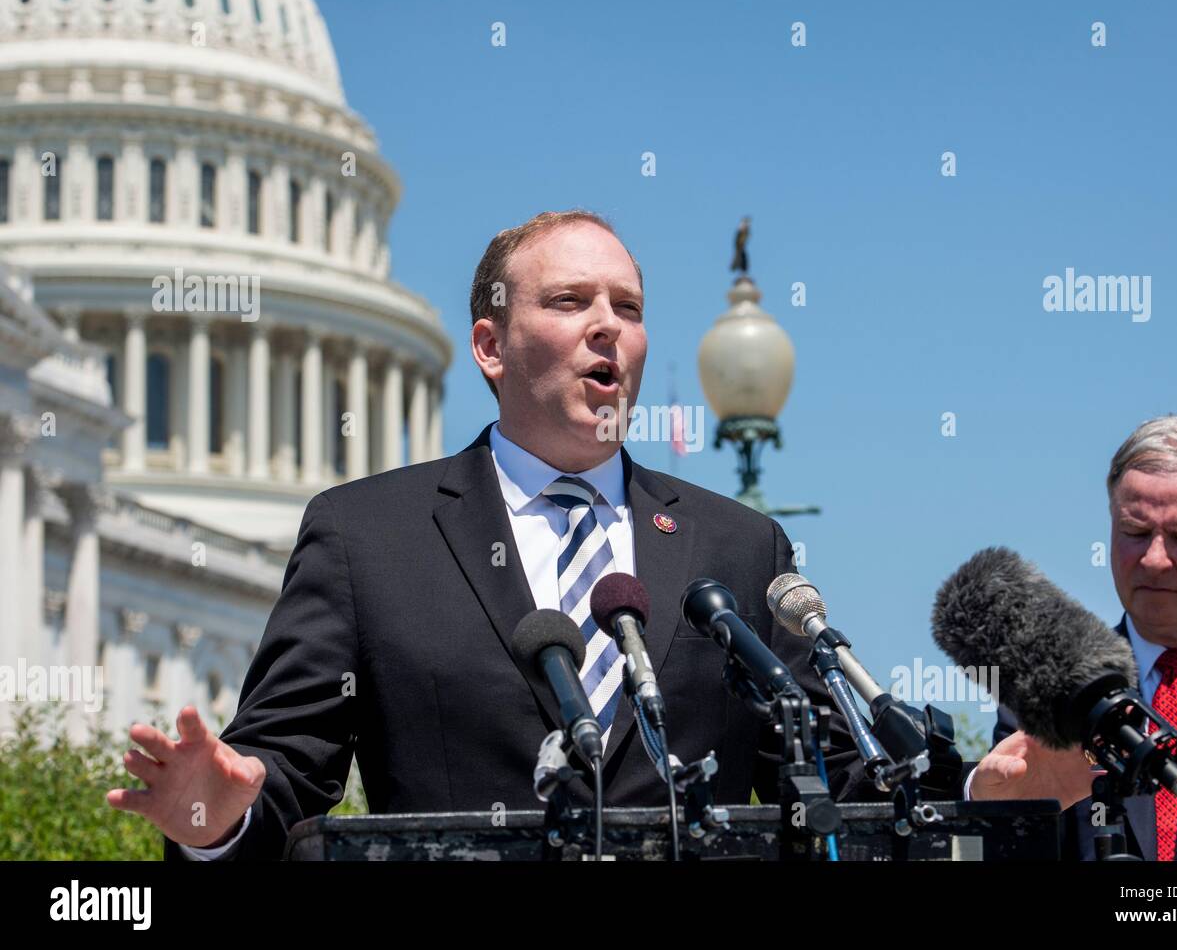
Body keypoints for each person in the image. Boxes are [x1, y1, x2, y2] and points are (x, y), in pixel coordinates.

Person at [111, 210, 1015, 860]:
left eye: (628, 306)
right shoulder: (365, 537)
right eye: (571, 301)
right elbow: (286, 774)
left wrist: (984, 792)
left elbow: (837, 779)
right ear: (491, 346)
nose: (607, 328)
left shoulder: (738, 547)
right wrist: (216, 817)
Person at [980, 415, 1177, 860]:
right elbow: (1016, 843)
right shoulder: (1051, 690)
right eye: (1135, 532)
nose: (1153, 559)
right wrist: (986, 806)